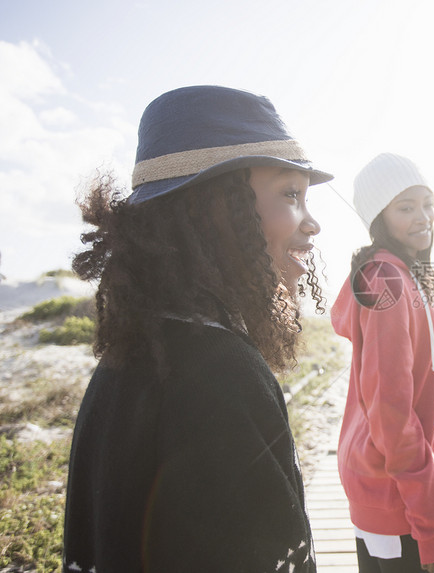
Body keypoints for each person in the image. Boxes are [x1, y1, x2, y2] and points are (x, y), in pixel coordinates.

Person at [63, 85, 332, 573]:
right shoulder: (220, 372)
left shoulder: (136, 352)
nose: (312, 223)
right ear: (215, 211)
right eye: (290, 194)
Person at [331, 153, 434, 573]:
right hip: (393, 494)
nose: (424, 217)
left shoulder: (397, 273)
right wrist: (432, 527)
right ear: (379, 217)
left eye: (427, 203)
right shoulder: (387, 281)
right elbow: (390, 411)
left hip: (383, 482)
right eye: (405, 207)